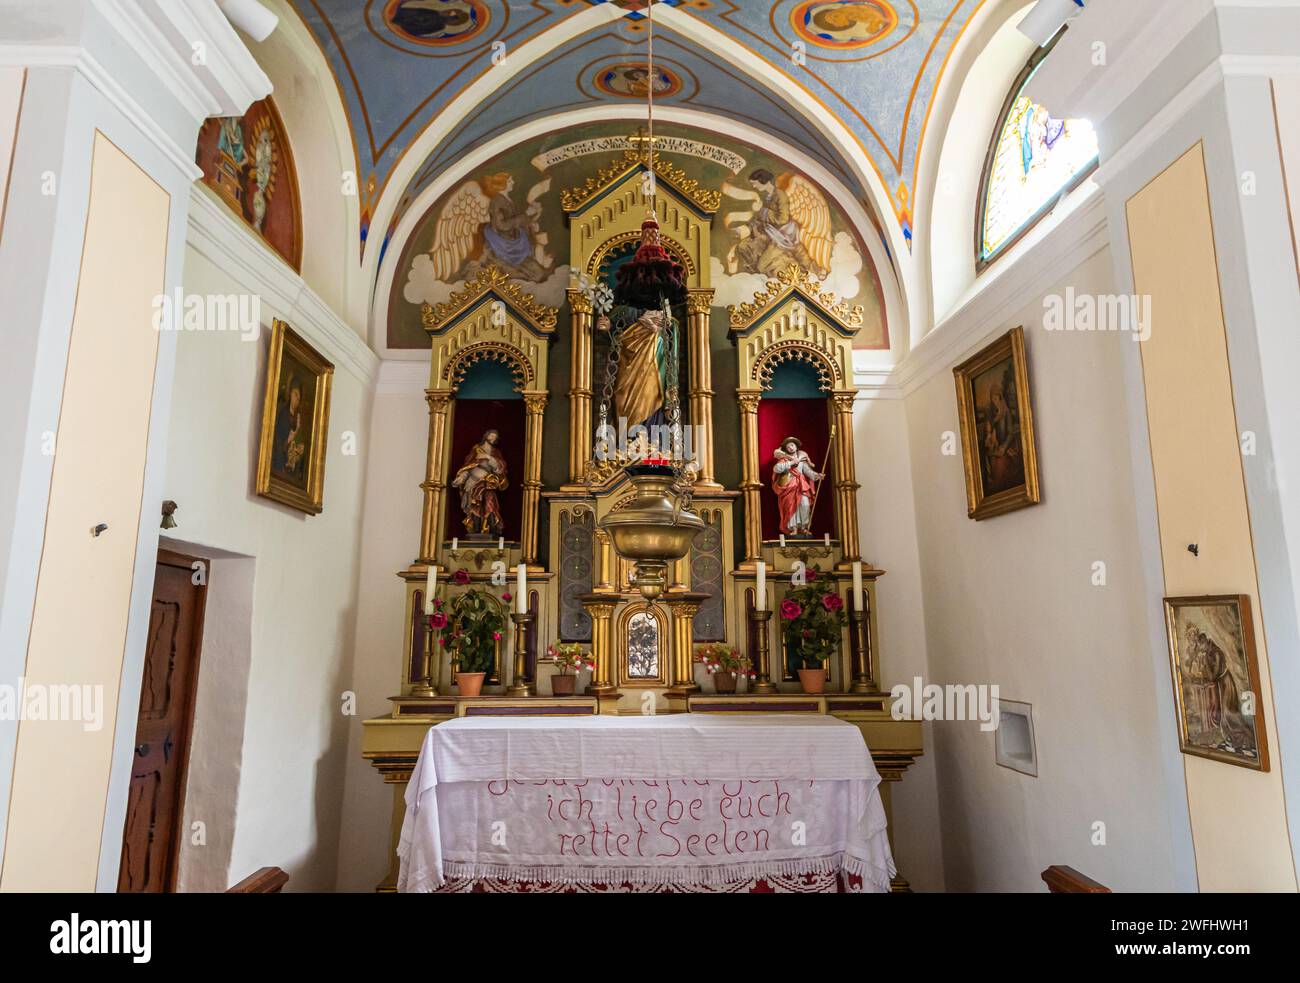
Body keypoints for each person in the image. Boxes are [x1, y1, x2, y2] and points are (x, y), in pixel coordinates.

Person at [451, 429, 508, 537]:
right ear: (486, 436)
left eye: (495, 437)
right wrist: (461, 477)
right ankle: (475, 530)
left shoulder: (495, 452)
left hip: (488, 483)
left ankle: (490, 529)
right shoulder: (476, 450)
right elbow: (468, 466)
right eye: (491, 435)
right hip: (473, 482)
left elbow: (500, 468)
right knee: (474, 506)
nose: (493, 438)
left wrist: (488, 457)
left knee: (490, 505)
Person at [772, 437, 822, 536]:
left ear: (796, 446)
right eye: (788, 446)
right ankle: (793, 529)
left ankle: (803, 527)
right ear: (785, 449)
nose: (790, 447)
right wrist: (791, 463)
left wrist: (817, 475)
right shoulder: (784, 459)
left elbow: (808, 472)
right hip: (789, 486)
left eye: (792, 445)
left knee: (805, 504)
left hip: (801, 485)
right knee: (791, 506)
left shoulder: (802, 460)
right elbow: (777, 469)